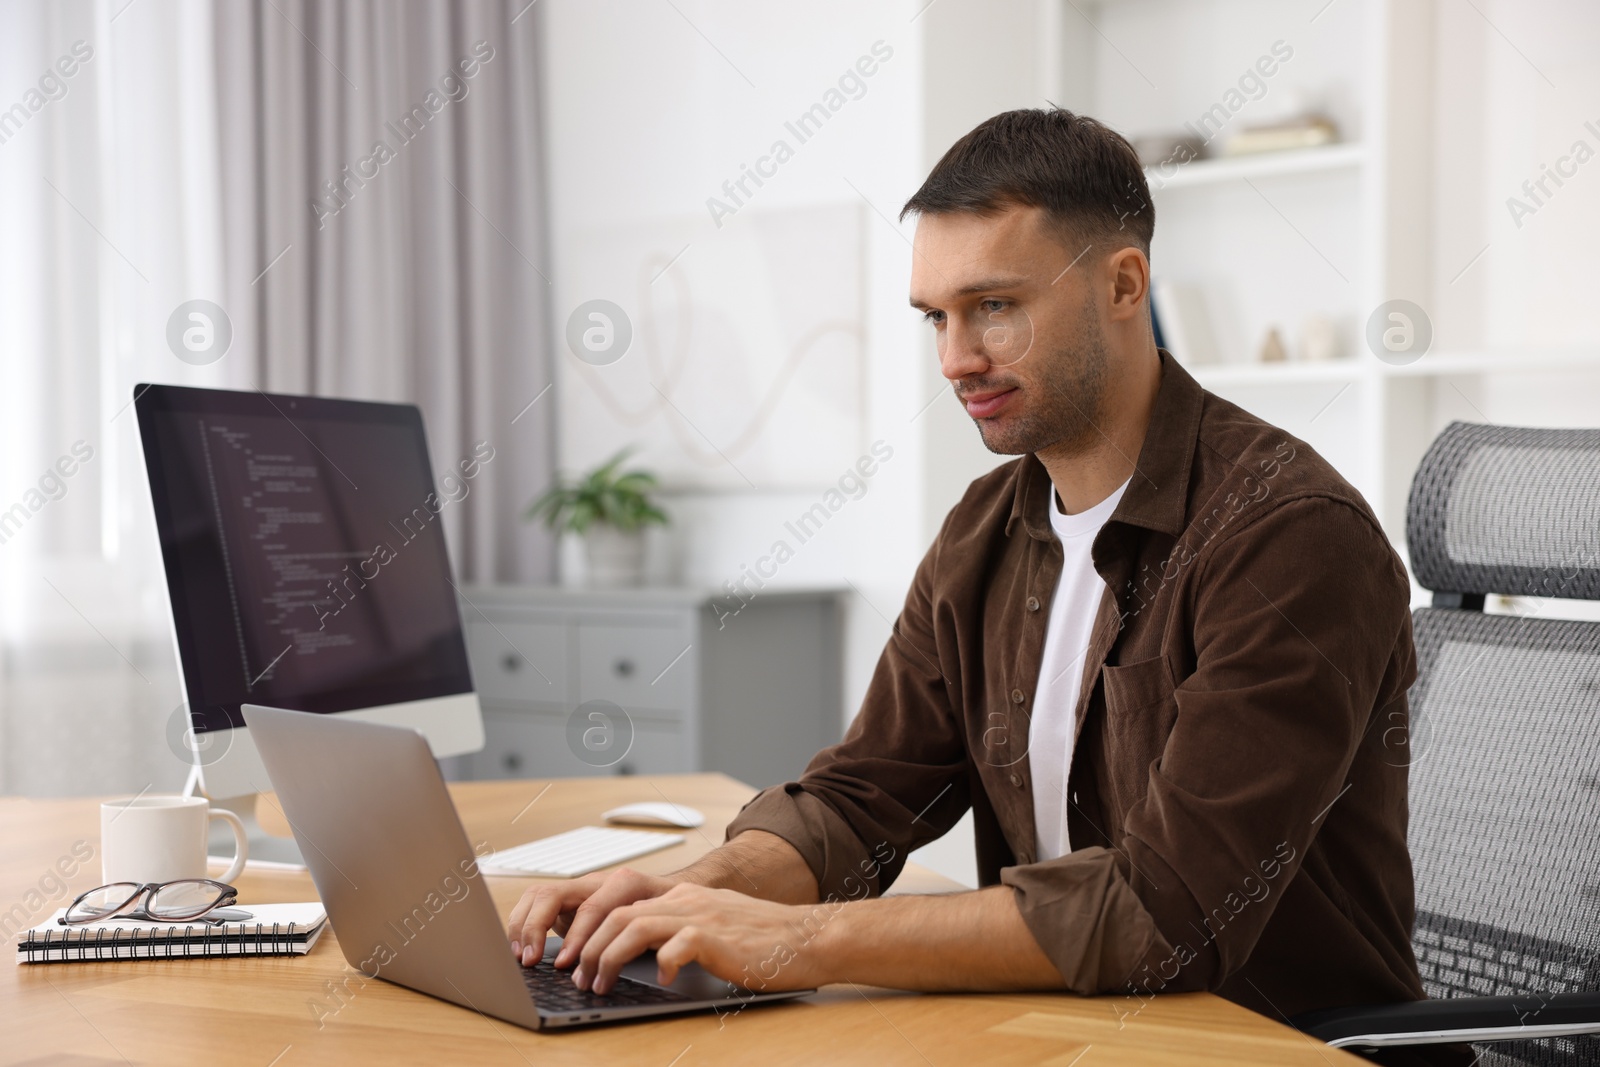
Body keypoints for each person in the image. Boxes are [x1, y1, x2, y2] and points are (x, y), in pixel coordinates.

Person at [509, 108, 1468, 1066]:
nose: (956, 358)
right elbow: (861, 799)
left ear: (1123, 283)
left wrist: (794, 940)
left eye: (994, 307)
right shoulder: (984, 529)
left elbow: (1162, 913)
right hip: (1070, 1033)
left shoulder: (1289, 535)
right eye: (937, 316)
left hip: (1272, 1043)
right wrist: (697, 890)